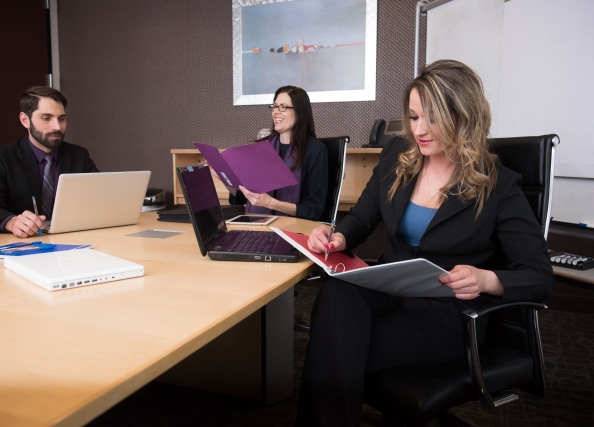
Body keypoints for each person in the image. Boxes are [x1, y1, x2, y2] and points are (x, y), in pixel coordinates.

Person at [295, 60, 555, 426]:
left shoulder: (499, 186)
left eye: (432, 118)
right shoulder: (397, 159)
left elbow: (540, 277)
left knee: (335, 348)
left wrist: (485, 280)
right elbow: (362, 219)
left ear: (463, 116)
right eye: (414, 117)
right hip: (391, 286)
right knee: (338, 292)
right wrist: (337, 235)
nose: (420, 130)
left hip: (446, 313)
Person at [0, 86, 98, 237]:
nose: (57, 127)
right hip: (26, 243)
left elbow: (102, 197)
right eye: (46, 118)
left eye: (62, 119)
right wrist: (11, 222)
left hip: (73, 238)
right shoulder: (0, 157)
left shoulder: (79, 155)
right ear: (25, 120)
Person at [228, 85, 328, 221]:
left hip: (296, 227)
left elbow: (313, 210)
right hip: (259, 226)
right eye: (275, 106)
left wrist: (270, 203)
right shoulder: (261, 148)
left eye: (283, 107)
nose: (276, 112)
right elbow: (242, 197)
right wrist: (224, 177)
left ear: (300, 112)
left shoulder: (316, 150)